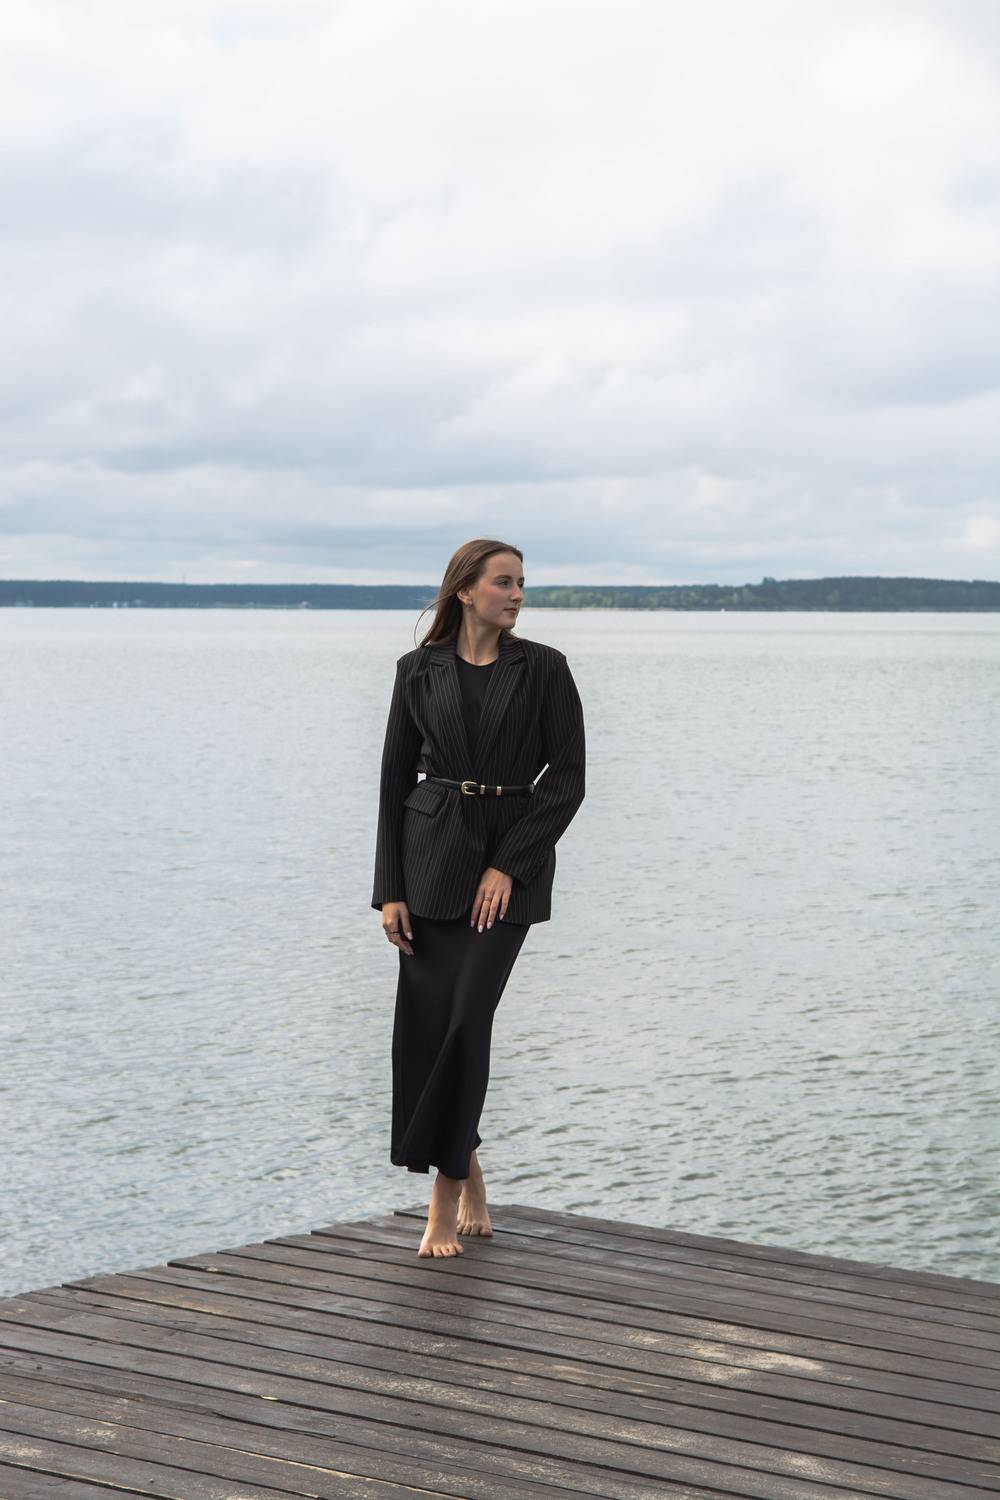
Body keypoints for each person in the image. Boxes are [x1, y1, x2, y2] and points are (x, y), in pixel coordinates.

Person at [371, 538, 586, 1258]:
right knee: (429, 1032)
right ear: (465, 590)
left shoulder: (545, 668)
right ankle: (471, 1173)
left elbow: (568, 778)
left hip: (508, 870)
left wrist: (508, 867)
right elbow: (394, 782)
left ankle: (442, 1200)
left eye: (522, 583)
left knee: (467, 1025)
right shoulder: (417, 670)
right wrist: (389, 891)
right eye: (504, 582)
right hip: (428, 862)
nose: (517, 594)